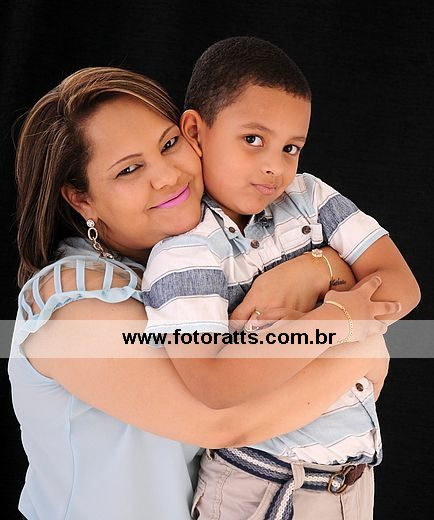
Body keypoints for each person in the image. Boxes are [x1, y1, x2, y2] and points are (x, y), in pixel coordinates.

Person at [9, 66, 395, 520]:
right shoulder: (74, 304)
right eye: (129, 170)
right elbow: (224, 420)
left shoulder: (208, 260)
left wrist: (316, 266)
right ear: (82, 199)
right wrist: (359, 347)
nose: (167, 176)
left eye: (169, 144)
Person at [140, 37, 421, 519]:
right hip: (262, 485)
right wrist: (336, 319)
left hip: (353, 479)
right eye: (253, 139)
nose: (275, 166)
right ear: (195, 131)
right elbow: (213, 382)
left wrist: (307, 305)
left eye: (291, 147)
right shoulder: (185, 254)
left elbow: (401, 288)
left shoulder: (309, 198)